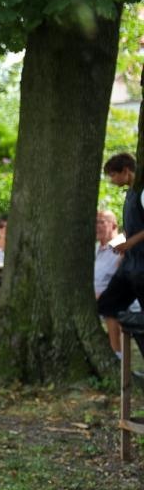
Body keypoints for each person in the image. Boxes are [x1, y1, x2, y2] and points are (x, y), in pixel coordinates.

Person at [100, 153, 144, 358]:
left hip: (142, 267)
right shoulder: (129, 195)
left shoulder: (142, 193)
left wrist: (130, 243)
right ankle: (117, 355)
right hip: (129, 267)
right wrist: (118, 243)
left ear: (126, 171)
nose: (111, 180)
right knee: (108, 304)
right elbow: (132, 228)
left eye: (113, 175)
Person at [96, 209, 128, 357]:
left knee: (110, 306)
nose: (96, 226)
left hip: (116, 299)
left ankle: (117, 354)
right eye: (95, 222)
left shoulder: (121, 245)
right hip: (94, 298)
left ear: (114, 225)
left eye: (101, 222)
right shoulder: (95, 248)